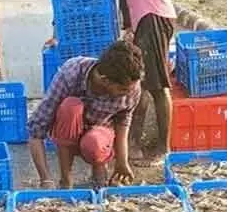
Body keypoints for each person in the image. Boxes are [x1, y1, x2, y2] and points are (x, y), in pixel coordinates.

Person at [78, 0, 175, 164]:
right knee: (140, 82)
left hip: (152, 9)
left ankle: (162, 149)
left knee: (156, 84)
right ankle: (133, 144)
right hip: (148, 10)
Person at [26, 40, 143, 188]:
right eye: (123, 90)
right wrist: (45, 179)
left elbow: (123, 121)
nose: (129, 93)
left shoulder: (131, 85)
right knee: (70, 107)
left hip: (100, 134)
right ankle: (66, 179)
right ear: (105, 80)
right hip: (68, 132)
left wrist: (122, 162)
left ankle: (99, 172)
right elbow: (36, 130)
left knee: (94, 142)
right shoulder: (71, 73)